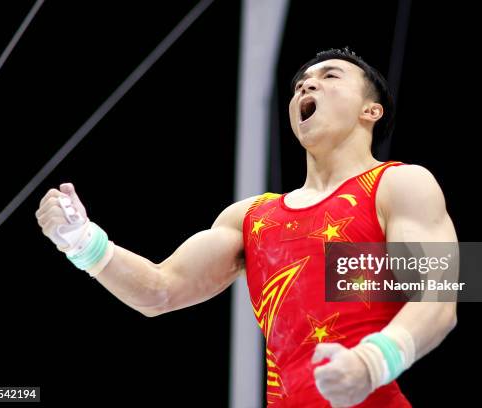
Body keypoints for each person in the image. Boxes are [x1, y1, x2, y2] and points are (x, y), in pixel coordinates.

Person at [36, 48, 458, 407]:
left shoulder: (400, 184)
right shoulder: (250, 218)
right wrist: (85, 243)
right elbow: (159, 290)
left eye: (330, 76)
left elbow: (438, 302)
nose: (307, 87)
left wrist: (373, 362)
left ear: (372, 110)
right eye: (299, 85)